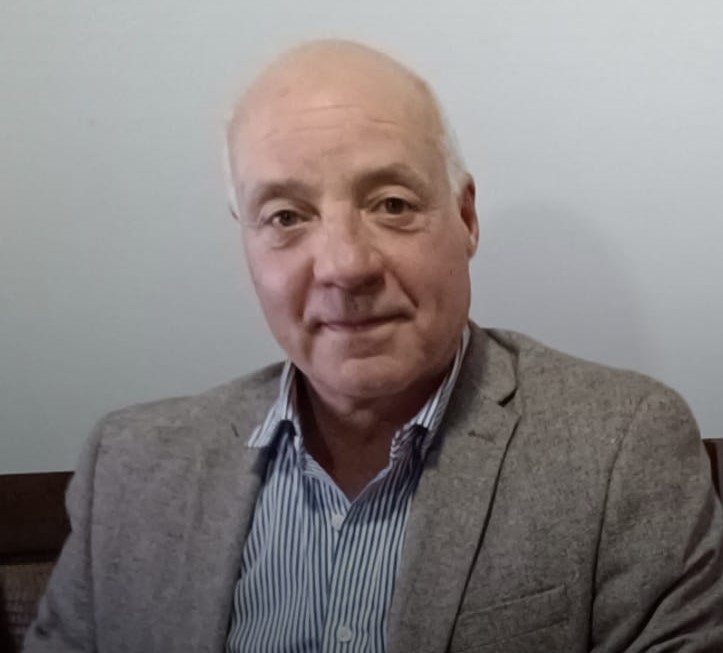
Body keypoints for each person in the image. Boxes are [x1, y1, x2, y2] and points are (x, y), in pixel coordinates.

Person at [26, 40, 723, 652]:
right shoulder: (129, 469)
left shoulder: (620, 449)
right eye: (286, 216)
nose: (345, 266)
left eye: (392, 204)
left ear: (466, 218)